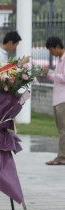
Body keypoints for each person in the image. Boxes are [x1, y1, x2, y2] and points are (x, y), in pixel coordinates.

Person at [46, 36, 65, 165]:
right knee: (60, 129)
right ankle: (61, 155)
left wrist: (53, 74)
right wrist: (49, 74)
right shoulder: (60, 60)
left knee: (63, 130)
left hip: (63, 99)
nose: (51, 53)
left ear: (57, 47)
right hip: (57, 99)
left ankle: (62, 156)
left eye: (52, 50)